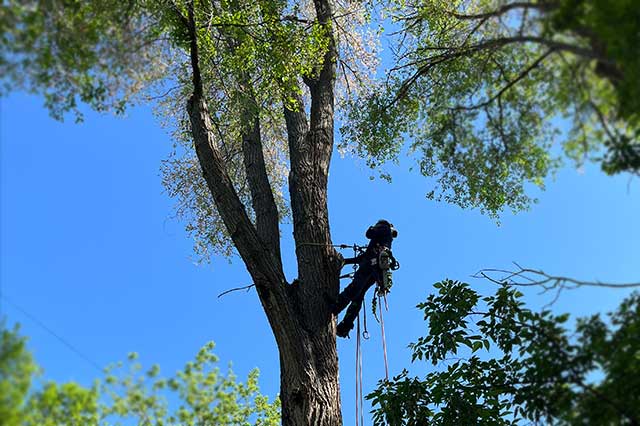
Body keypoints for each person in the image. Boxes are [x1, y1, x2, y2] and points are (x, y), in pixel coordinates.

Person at [331, 219, 398, 338]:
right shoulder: (383, 242)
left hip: (371, 265)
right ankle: (345, 326)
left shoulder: (383, 228)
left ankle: (337, 305)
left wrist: (372, 228)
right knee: (358, 296)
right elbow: (363, 257)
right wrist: (345, 261)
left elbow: (369, 234)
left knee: (355, 287)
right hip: (375, 272)